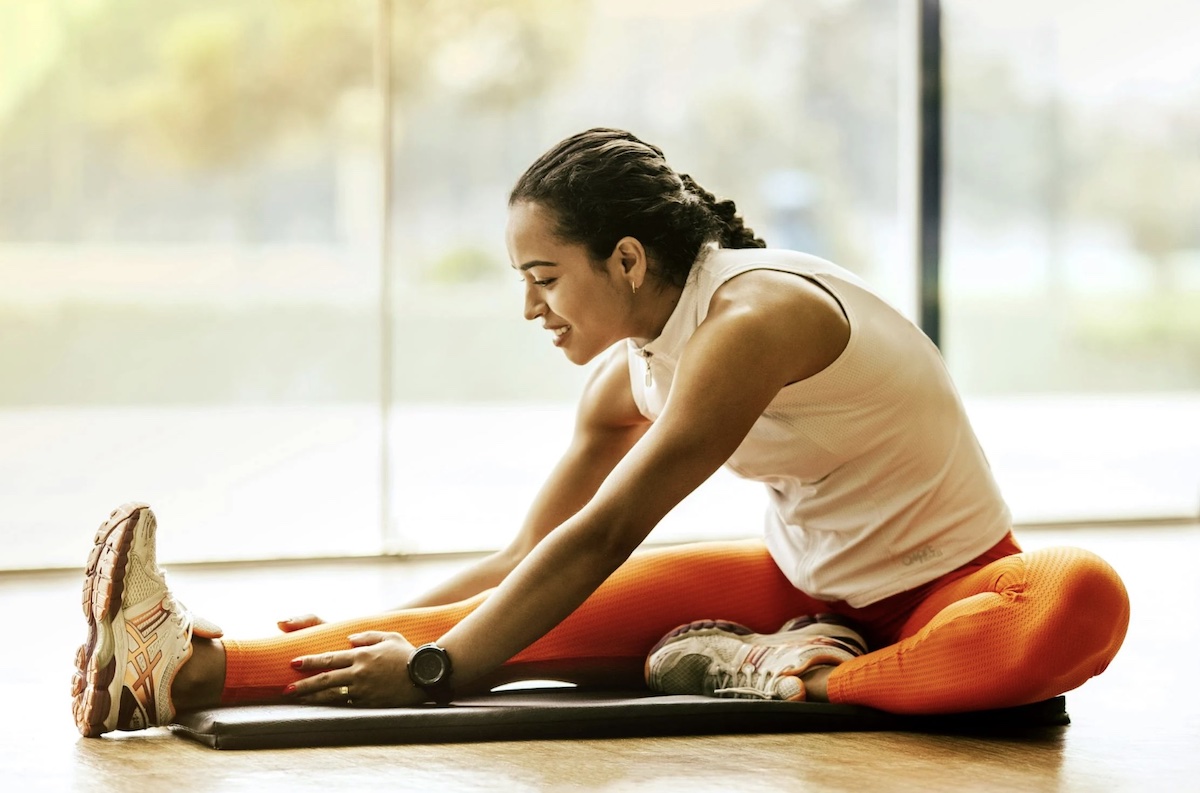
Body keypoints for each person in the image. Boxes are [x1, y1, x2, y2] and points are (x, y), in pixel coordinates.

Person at [71, 128, 1130, 738]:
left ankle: (787, 675)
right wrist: (384, 625)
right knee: (498, 615)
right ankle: (170, 668)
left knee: (1085, 597)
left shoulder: (756, 321)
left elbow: (612, 527)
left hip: (957, 590)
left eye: (544, 278)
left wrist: (443, 671)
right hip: (803, 591)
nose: (532, 308)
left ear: (626, 259)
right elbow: (526, 563)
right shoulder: (629, 374)